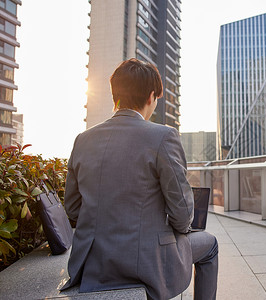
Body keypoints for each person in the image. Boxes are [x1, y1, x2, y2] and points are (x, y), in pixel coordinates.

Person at [61, 58, 218, 300]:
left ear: (115, 95)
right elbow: (182, 215)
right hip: (145, 264)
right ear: (151, 96)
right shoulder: (163, 136)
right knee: (210, 245)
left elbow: (72, 208)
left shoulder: (82, 139)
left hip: (92, 263)